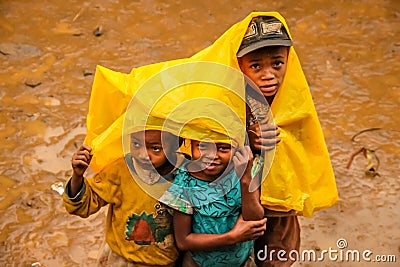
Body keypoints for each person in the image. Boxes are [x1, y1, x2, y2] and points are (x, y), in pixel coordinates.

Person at [63, 129, 184, 266]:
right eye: (136, 144)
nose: (143, 154)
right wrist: (77, 176)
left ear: (175, 145)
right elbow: (83, 206)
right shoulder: (120, 170)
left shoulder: (188, 175)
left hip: (163, 262)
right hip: (120, 259)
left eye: (155, 148)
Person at [236, 15, 302, 267]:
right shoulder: (231, 98)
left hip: (279, 208)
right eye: (255, 66)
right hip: (238, 202)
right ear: (239, 65)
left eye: (277, 63)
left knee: (276, 257)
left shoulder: (294, 99)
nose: (268, 75)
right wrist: (248, 139)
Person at [160, 138, 267, 267]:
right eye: (203, 146)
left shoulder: (246, 169)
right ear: (190, 144)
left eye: (223, 148)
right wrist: (232, 237)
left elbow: (254, 218)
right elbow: (183, 241)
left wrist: (245, 180)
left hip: (244, 261)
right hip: (197, 263)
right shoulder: (185, 183)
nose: (212, 155)